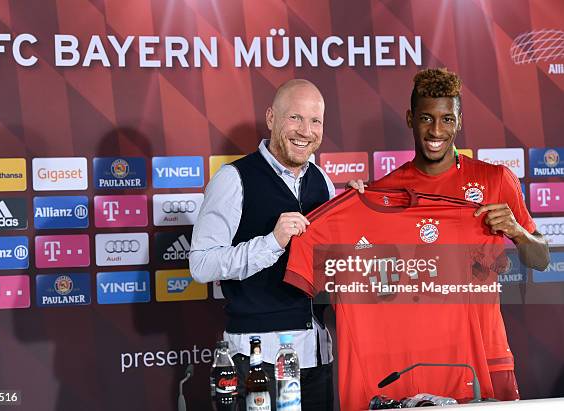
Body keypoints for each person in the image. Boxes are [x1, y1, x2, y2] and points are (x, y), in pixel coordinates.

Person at [360, 67, 550, 400]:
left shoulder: (496, 180)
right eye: (426, 118)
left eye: (447, 119)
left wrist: (518, 232)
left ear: (459, 121)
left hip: (487, 350)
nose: (436, 130)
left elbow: (542, 259)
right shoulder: (384, 191)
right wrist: (356, 206)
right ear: (410, 118)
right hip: (419, 359)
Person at [190, 79, 336, 410]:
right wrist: (271, 243)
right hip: (259, 358)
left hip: (316, 355)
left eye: (315, 121)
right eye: (295, 118)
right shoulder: (233, 178)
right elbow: (201, 265)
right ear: (271, 118)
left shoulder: (323, 182)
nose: (306, 131)